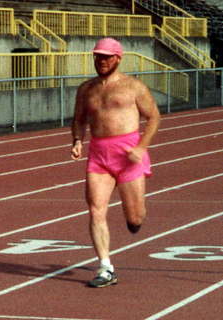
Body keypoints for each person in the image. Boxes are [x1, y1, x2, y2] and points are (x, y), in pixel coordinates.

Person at [71, 37, 160, 288]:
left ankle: (135, 217)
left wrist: (141, 148)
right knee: (96, 209)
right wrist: (77, 140)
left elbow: (153, 117)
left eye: (107, 57)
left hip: (128, 154)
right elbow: (78, 119)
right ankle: (106, 267)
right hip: (99, 154)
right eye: (98, 56)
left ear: (118, 58)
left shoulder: (133, 86)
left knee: (135, 218)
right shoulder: (86, 89)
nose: (102, 61)